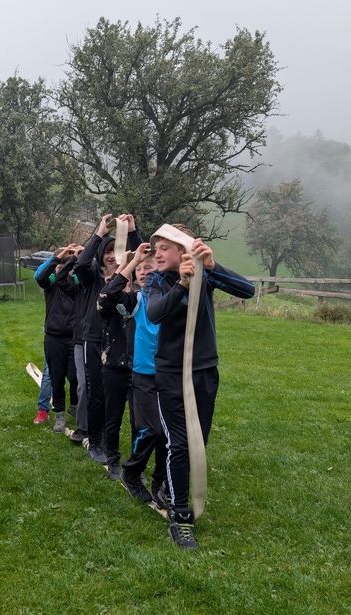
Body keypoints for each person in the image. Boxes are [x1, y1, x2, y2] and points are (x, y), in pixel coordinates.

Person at [146, 225, 255, 549]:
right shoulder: (157, 280)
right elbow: (154, 313)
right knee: (179, 444)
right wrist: (181, 284)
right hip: (170, 375)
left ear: (183, 250)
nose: (158, 254)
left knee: (197, 446)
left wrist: (211, 267)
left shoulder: (205, 277)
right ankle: (180, 518)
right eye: (156, 248)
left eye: (165, 248)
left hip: (204, 371)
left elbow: (247, 290)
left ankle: (170, 484)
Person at [99, 243, 168, 505]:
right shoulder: (135, 301)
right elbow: (106, 297)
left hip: (169, 372)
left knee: (167, 434)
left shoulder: (169, 297)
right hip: (142, 373)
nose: (142, 272)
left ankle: (161, 482)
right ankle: (131, 470)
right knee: (149, 429)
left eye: (148, 267)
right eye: (138, 269)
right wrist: (132, 262)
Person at [70, 214, 142, 464]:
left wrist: (132, 232)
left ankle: (111, 438)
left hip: (122, 342)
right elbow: (78, 265)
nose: (112, 256)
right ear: (100, 255)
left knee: (117, 396)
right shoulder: (91, 276)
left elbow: (143, 260)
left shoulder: (129, 277)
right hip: (94, 338)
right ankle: (96, 440)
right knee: (96, 392)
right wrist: (99, 233)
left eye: (116, 251)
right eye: (107, 252)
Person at [34, 244, 81, 433]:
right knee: (56, 378)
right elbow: (40, 277)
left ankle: (75, 407)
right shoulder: (51, 280)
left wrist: (79, 257)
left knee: (75, 377)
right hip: (54, 337)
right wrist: (57, 257)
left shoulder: (77, 281)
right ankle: (59, 415)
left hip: (75, 337)